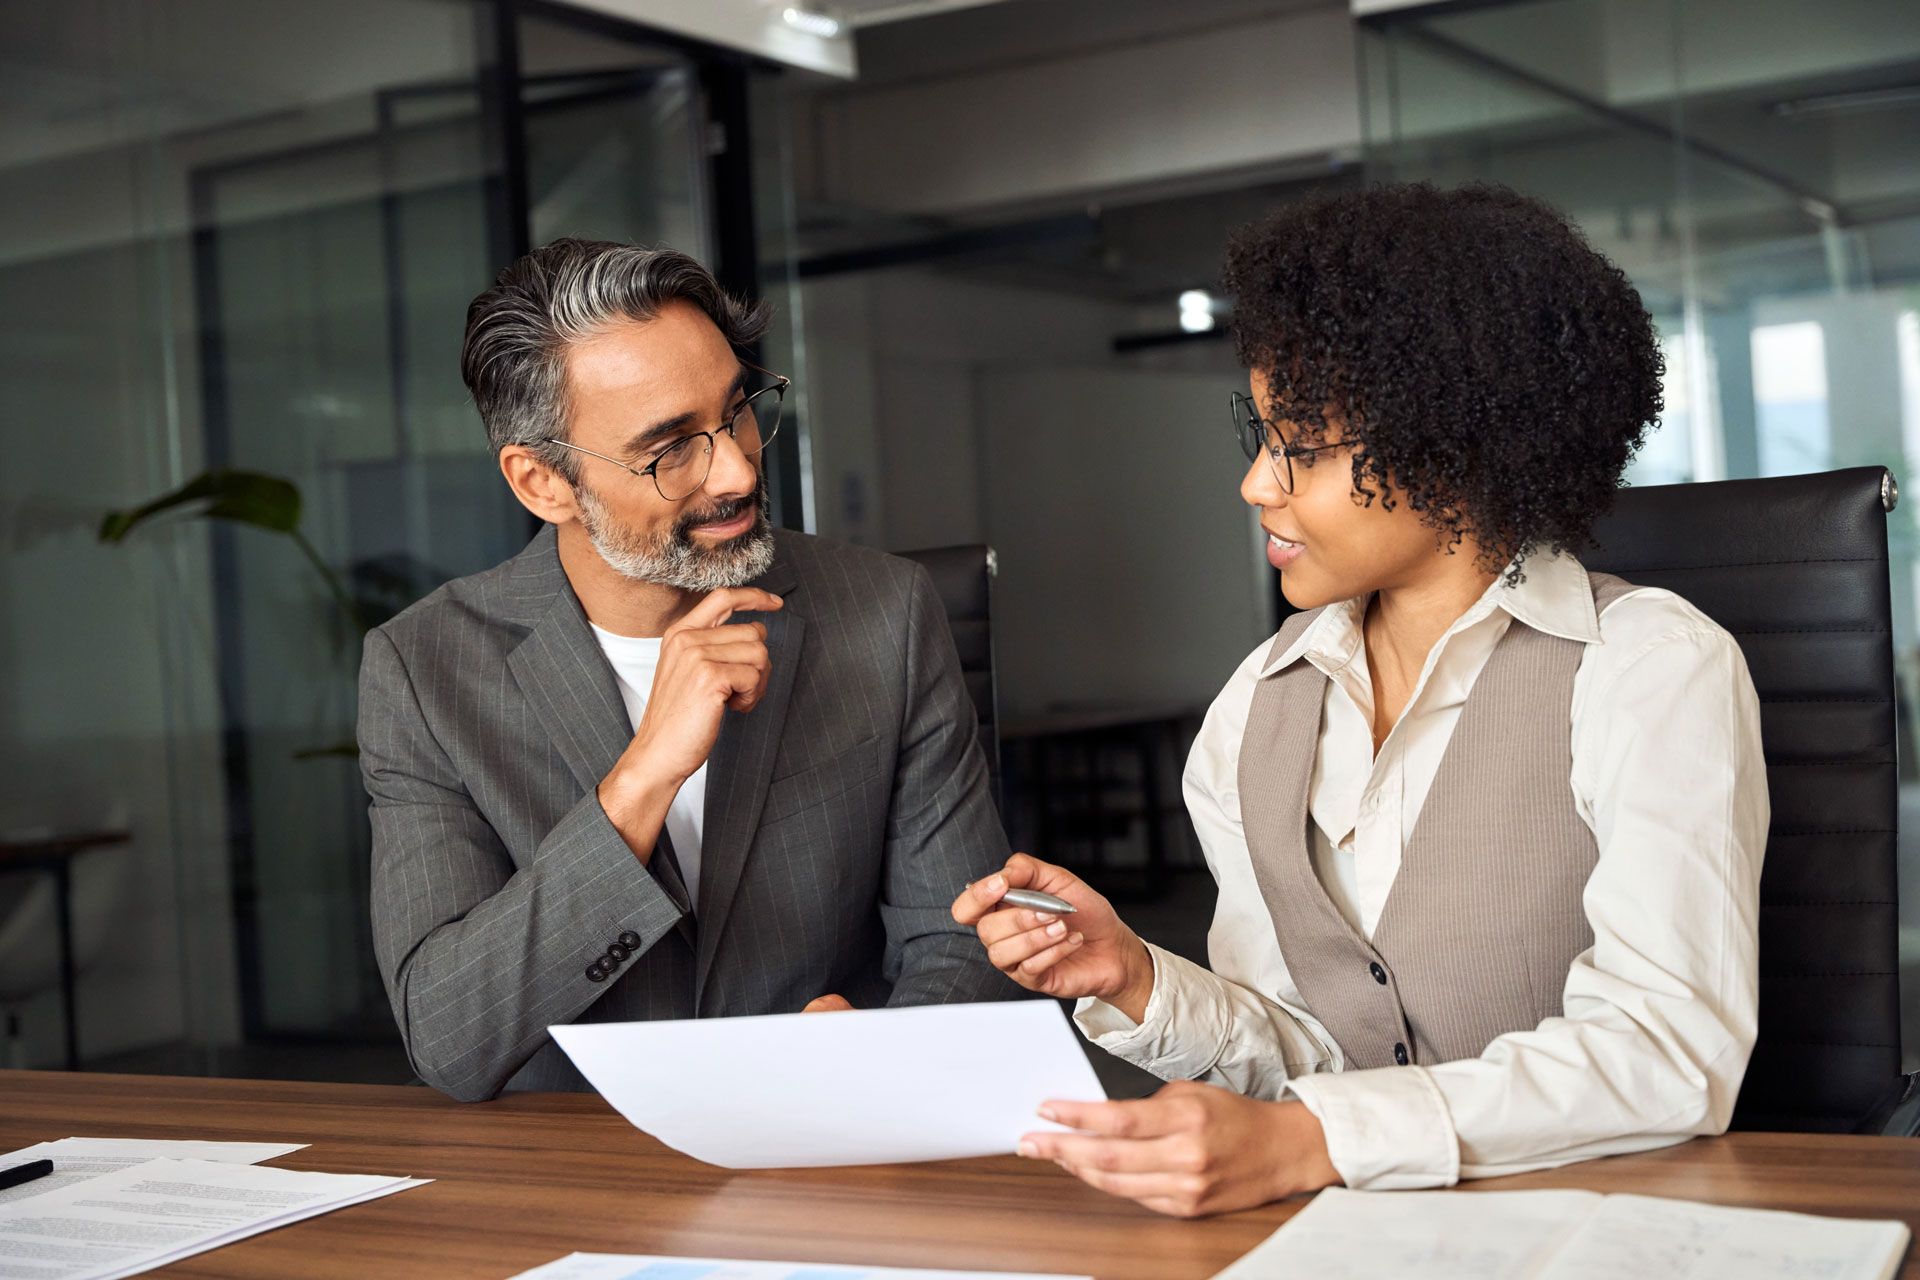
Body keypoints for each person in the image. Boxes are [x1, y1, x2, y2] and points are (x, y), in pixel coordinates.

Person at [953, 183, 1768, 1216]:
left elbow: (1665, 1052)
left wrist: (1318, 1138)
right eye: (1263, 435)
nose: (1258, 484)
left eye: (1304, 446)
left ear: (1454, 448)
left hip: (1603, 1229)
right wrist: (1136, 976)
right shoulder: (1257, 705)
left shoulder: (1649, 668)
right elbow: (1308, 1051)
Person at [360, 239, 1013, 1101]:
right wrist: (639, 781)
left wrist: (876, 1068)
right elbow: (449, 1039)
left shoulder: (884, 612)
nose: (739, 469)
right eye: (670, 448)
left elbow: (962, 942)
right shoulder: (424, 670)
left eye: (738, 411)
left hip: (834, 1149)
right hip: (570, 1179)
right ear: (541, 482)